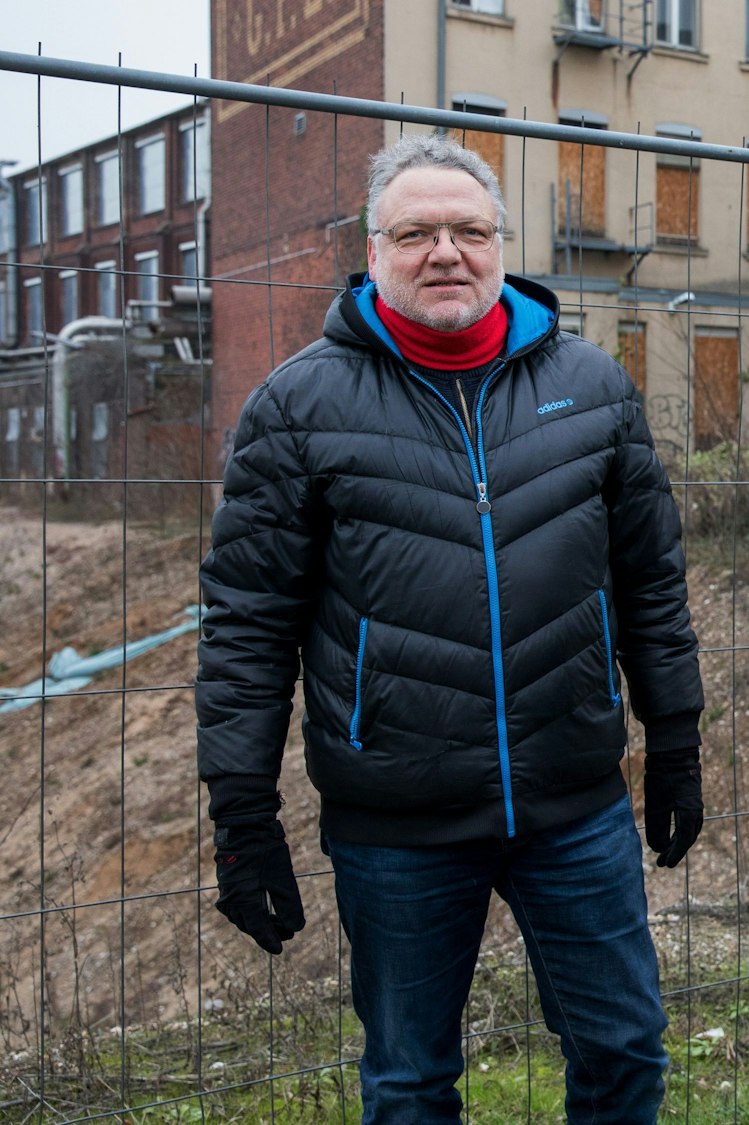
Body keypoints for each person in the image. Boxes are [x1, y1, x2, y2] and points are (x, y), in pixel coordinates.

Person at [194, 134, 705, 1124]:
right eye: (416, 232)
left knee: (625, 1051)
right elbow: (248, 625)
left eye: (469, 231)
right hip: (398, 819)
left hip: (574, 805)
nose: (445, 253)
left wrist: (675, 735)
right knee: (410, 1081)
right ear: (373, 250)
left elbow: (650, 580)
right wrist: (239, 812)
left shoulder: (592, 388)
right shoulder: (296, 409)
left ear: (500, 245)